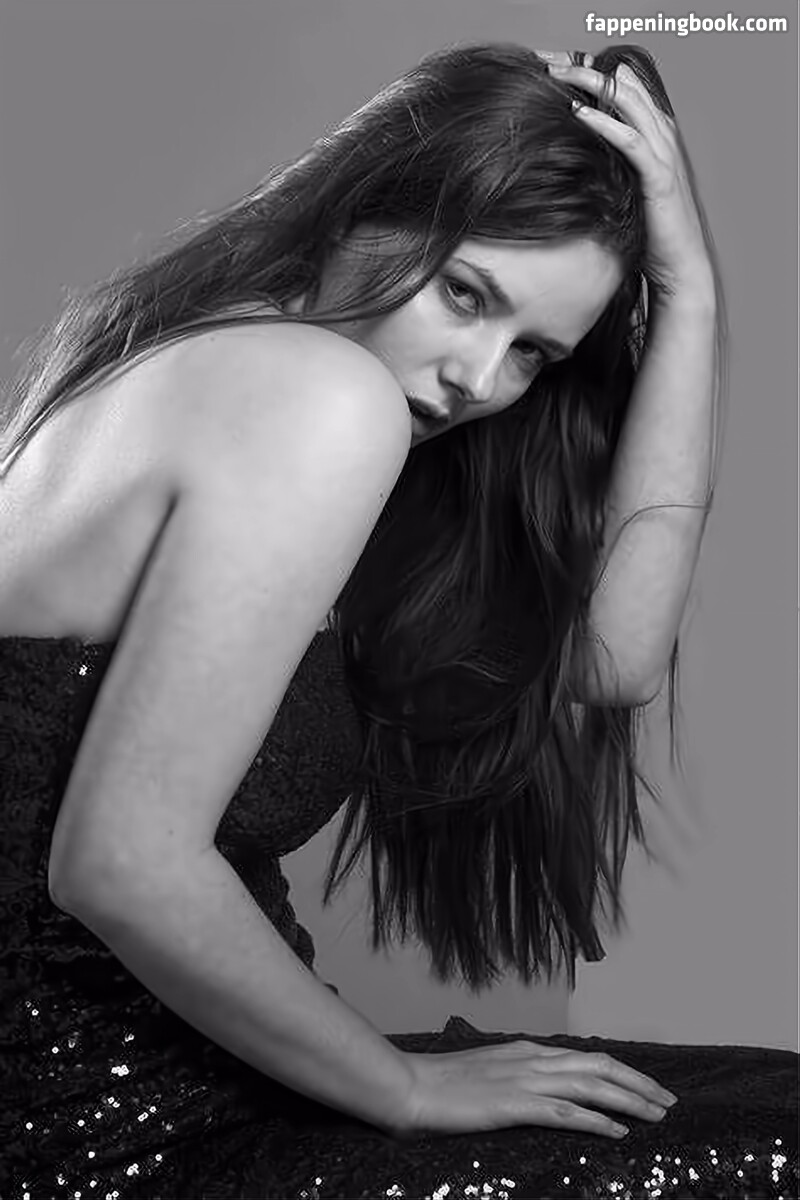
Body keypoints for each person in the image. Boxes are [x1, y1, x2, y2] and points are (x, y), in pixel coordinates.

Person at [0, 38, 795, 1200]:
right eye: (465, 295)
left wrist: (687, 299)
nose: (478, 379)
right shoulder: (315, 398)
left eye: (532, 352)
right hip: (111, 1138)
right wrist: (405, 1091)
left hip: (200, 1090)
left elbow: (612, 658)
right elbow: (119, 864)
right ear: (362, 207)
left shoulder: (217, 365)